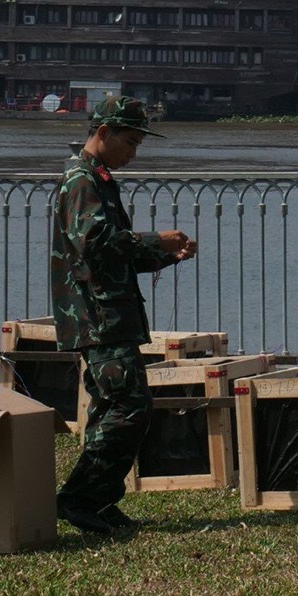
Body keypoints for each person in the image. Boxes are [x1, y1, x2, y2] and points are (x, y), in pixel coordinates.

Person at [51, 94, 198, 536]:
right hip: (97, 317)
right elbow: (96, 243)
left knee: (111, 408)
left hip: (108, 314)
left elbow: (114, 253)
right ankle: (80, 499)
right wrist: (156, 240)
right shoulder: (81, 181)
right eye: (130, 142)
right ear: (102, 133)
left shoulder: (98, 179)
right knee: (129, 406)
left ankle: (97, 501)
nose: (134, 152)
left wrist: (167, 256)